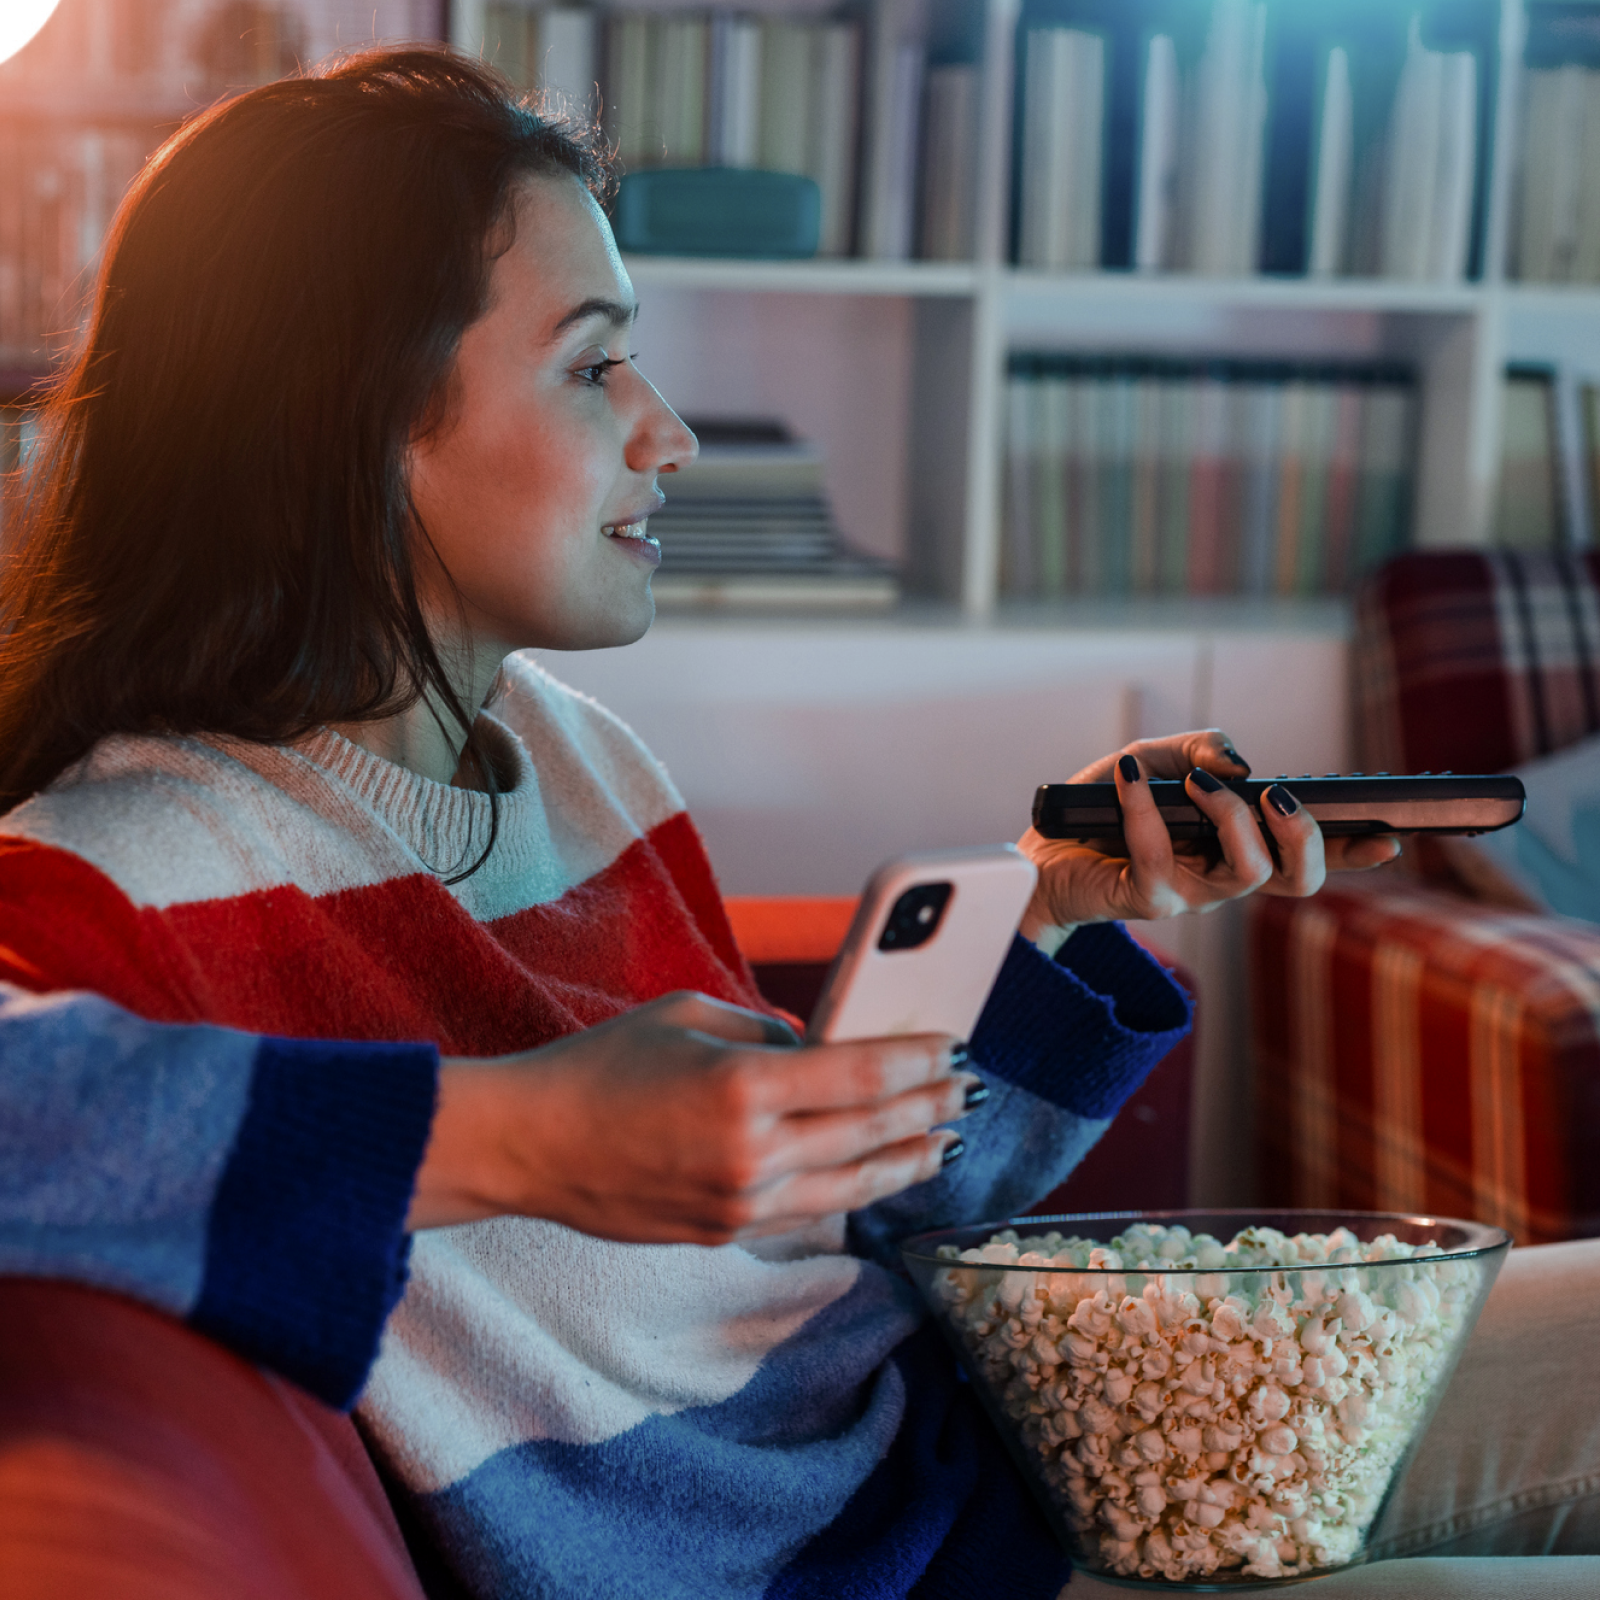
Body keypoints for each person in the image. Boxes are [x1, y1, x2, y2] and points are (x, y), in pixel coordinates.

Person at [15, 44, 1565, 1600]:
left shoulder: (577, 759)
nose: (668, 433)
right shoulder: (130, 871)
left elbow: (819, 1241)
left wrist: (1050, 908)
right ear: (348, 422)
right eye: (592, 363)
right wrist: (533, 1136)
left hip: (1015, 1440)